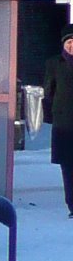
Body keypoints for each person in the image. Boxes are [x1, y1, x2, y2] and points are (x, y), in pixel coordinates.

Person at [46, 28, 73, 217]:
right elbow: (48, 92)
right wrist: (53, 115)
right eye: (68, 42)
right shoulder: (54, 64)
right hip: (64, 124)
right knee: (68, 167)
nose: (72, 45)